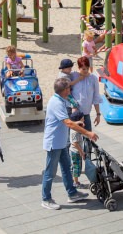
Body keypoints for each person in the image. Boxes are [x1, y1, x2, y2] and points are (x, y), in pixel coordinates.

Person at [41, 78, 99, 210]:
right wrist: (88, 133)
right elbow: (67, 123)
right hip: (54, 144)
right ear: (63, 90)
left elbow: (65, 121)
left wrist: (76, 123)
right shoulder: (56, 102)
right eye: (68, 88)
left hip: (60, 143)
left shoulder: (61, 100)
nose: (70, 90)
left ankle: (72, 193)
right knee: (50, 172)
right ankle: (46, 199)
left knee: (67, 168)